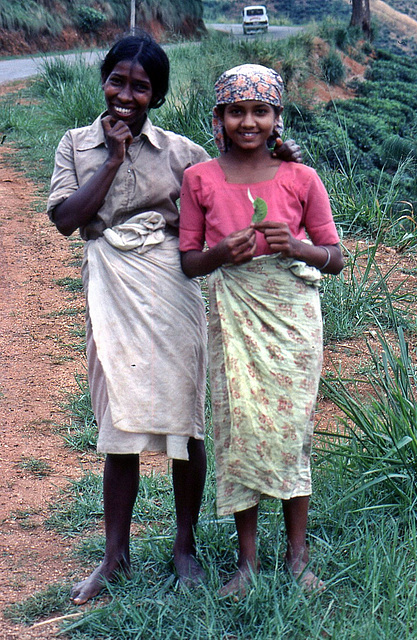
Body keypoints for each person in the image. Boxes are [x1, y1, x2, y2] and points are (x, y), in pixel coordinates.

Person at [47, 34, 302, 605]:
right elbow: (67, 218)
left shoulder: (180, 152)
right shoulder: (75, 145)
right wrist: (113, 159)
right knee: (119, 420)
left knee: (187, 419)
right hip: (111, 280)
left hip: (172, 282)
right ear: (104, 80)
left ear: (156, 95)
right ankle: (114, 557)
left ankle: (184, 547)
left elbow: (235, 173)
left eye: (141, 87)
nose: (126, 95)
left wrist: (284, 159)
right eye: (118, 80)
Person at [179, 63, 344, 597]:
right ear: (219, 116)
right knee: (239, 432)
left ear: (277, 118)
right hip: (235, 319)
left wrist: (294, 247)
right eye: (236, 111)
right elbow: (188, 262)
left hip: (293, 321)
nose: (247, 122)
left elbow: (335, 257)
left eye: (259, 111)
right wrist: (222, 252)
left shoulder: (301, 178)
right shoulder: (199, 179)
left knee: (292, 433)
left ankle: (298, 559)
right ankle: (246, 563)